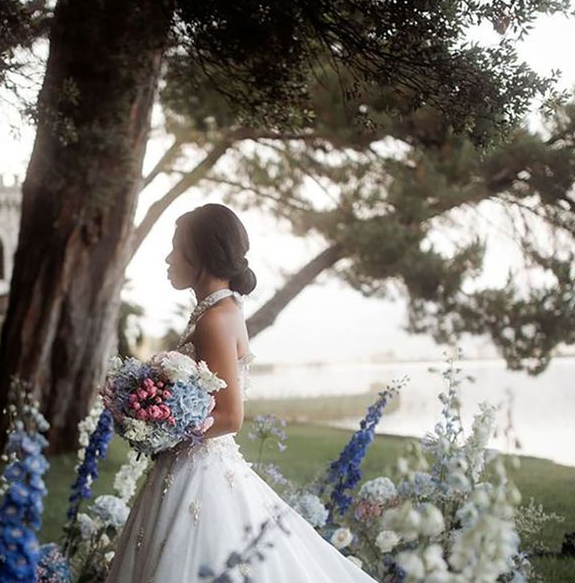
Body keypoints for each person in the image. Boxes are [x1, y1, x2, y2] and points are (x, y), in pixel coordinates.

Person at [105, 203, 379, 582]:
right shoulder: (218, 310)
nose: (168, 259)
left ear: (200, 253)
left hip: (198, 472)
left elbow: (231, 416)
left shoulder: (216, 319)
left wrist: (160, 427)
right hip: (189, 464)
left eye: (174, 247)